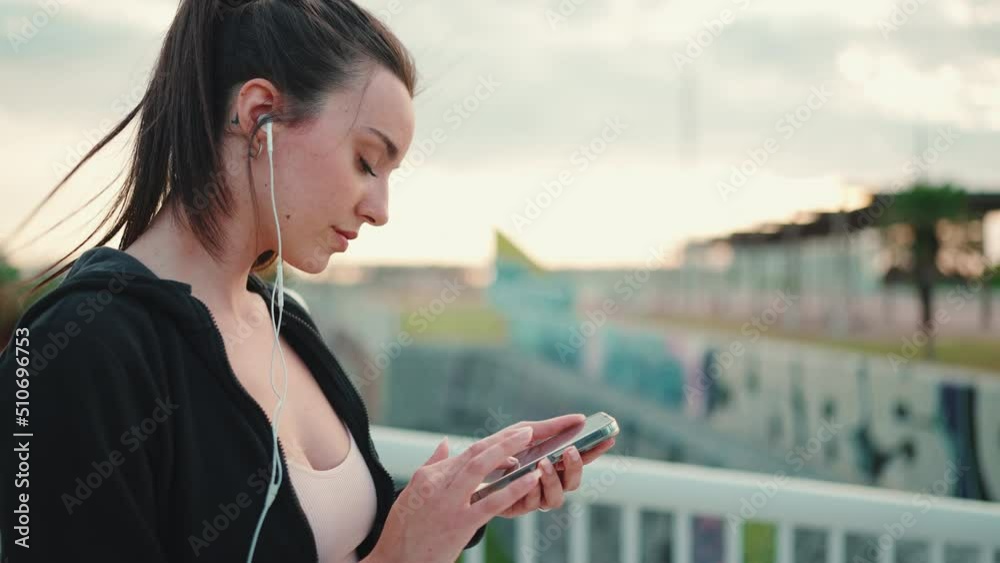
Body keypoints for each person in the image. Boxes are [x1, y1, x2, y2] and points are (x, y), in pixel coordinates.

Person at [0, 1, 616, 562]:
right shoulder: (75, 351)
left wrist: (453, 506)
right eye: (366, 162)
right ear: (259, 114)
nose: (380, 209)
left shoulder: (284, 322)